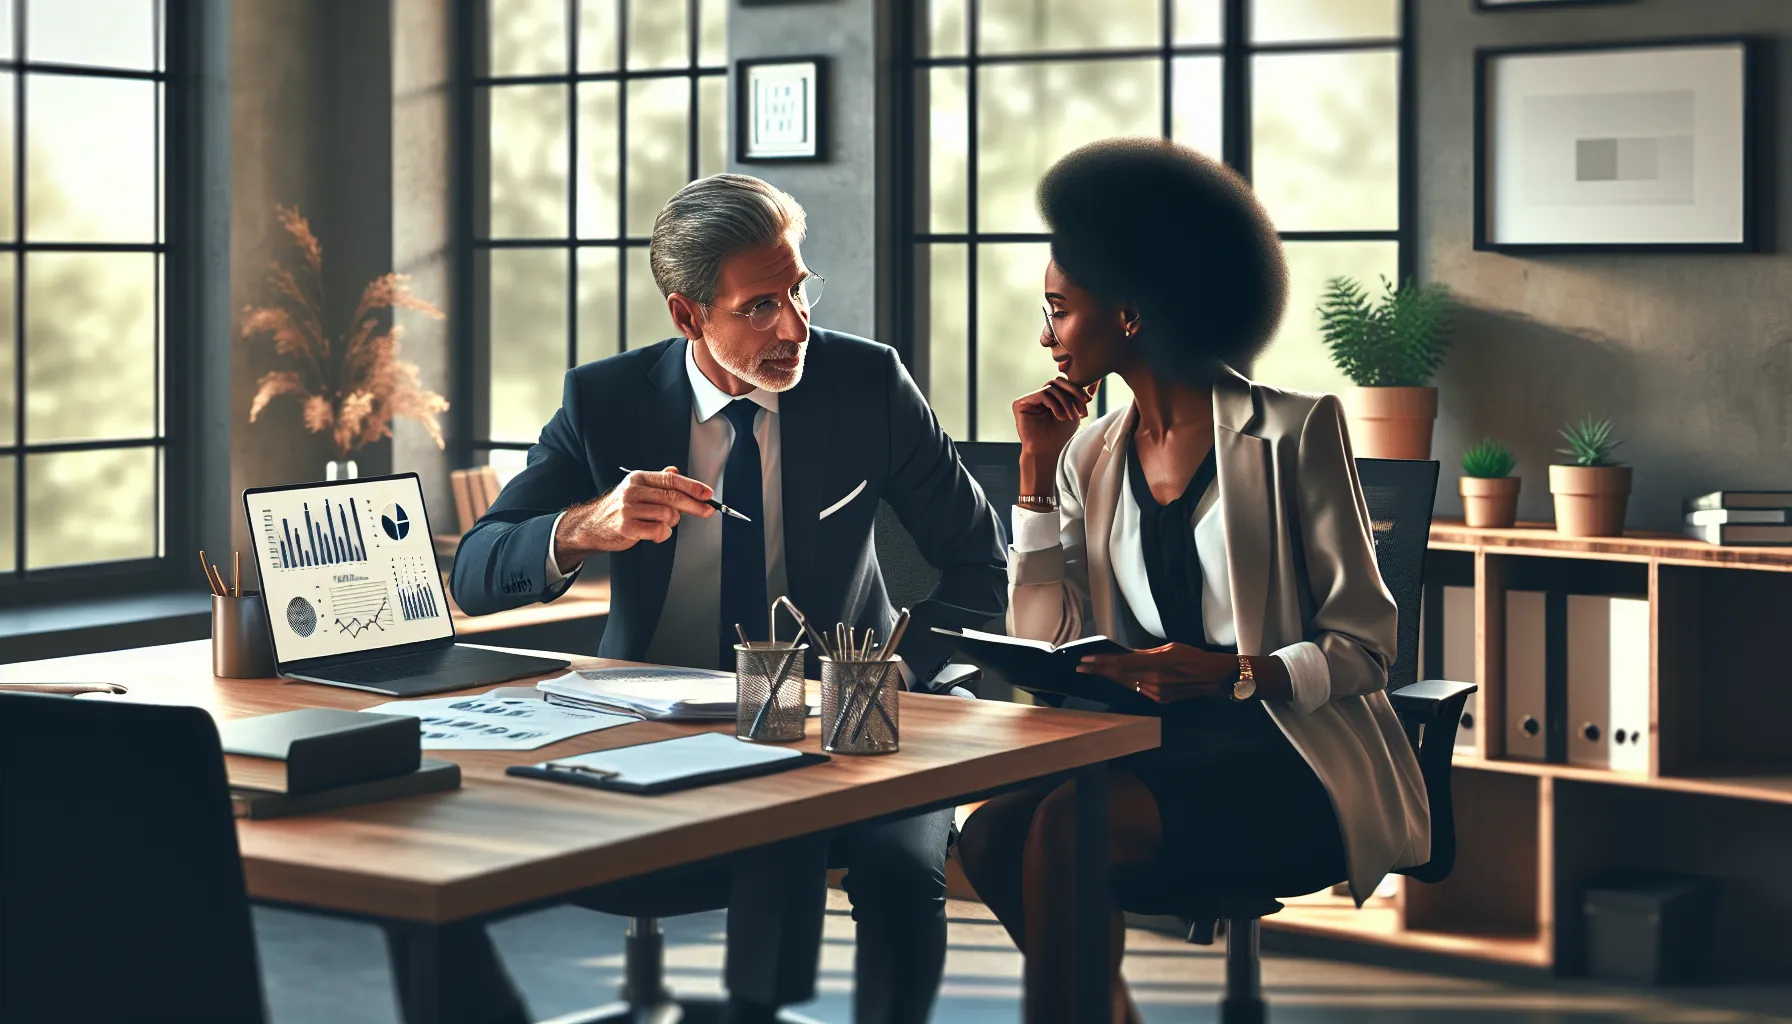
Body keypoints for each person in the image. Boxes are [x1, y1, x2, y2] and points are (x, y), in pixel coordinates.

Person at [448, 173, 1007, 1024]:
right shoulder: (606, 400)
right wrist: (579, 527)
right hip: (658, 732)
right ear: (686, 316)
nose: (795, 326)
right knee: (447, 862)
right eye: (758, 308)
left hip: (849, 725)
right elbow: (475, 571)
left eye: (798, 291)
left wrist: (897, 675)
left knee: (897, 867)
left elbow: (979, 564)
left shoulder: (868, 386)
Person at [952, 138, 1430, 1024]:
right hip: (1140, 744)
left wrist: (1234, 673)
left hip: (1281, 751)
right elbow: (1043, 645)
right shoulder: (1088, 452)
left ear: (1128, 312)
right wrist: (1031, 479)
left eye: (1059, 308)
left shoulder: (1292, 433)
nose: (1044, 333)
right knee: (986, 834)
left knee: (1065, 826)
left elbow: (1369, 647)